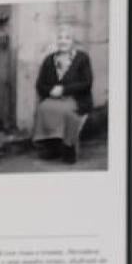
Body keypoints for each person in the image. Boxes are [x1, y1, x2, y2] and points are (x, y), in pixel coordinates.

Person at [31, 26, 95, 163]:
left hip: (77, 99)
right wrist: (50, 91)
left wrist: (64, 90)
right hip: (54, 99)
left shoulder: (82, 58)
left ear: (73, 41)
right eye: (60, 38)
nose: (63, 41)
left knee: (66, 112)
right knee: (43, 108)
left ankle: (68, 147)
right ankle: (52, 146)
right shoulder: (49, 60)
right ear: (57, 41)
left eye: (67, 38)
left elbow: (87, 83)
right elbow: (40, 84)